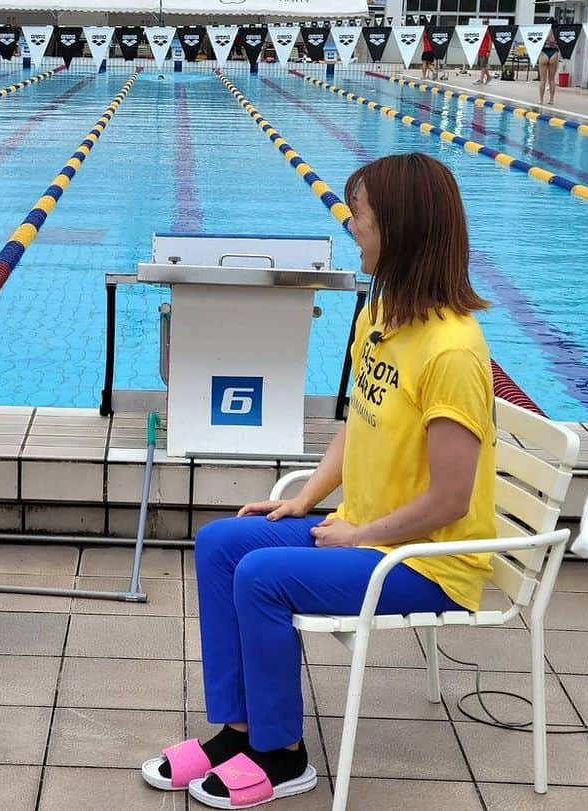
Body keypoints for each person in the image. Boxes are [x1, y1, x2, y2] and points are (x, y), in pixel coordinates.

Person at [141, 152, 496, 808]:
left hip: (427, 561)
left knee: (262, 576)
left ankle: (282, 755)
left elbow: (451, 497)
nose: (350, 227)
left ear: (402, 228)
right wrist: (305, 498)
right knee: (224, 542)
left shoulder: (452, 351)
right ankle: (238, 731)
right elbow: (357, 423)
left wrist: (359, 533)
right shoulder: (381, 319)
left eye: (359, 215)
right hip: (366, 534)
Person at [538, 20, 560, 105]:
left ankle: (540, 100)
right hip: (554, 53)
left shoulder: (544, 31)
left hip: (544, 53)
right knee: (551, 79)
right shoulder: (557, 32)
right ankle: (551, 100)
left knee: (543, 80)